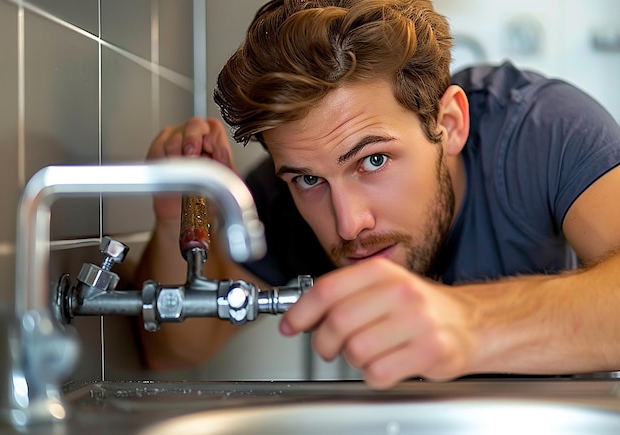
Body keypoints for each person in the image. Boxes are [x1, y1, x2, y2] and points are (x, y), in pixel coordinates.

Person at [136, 0, 620, 389]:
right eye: (308, 180)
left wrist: (469, 321)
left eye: (373, 161)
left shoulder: (542, 130)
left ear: (449, 124)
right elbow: (173, 350)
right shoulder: (285, 190)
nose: (349, 225)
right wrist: (169, 220)